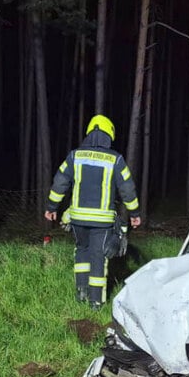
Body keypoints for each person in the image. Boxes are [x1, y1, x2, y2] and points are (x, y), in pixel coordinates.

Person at [45, 114, 141, 309]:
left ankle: (81, 291)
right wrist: (135, 213)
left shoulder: (75, 156)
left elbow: (60, 182)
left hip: (78, 219)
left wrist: (51, 207)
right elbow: (128, 189)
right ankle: (96, 301)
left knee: (81, 251)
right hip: (102, 221)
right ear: (109, 135)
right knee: (98, 256)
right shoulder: (116, 159)